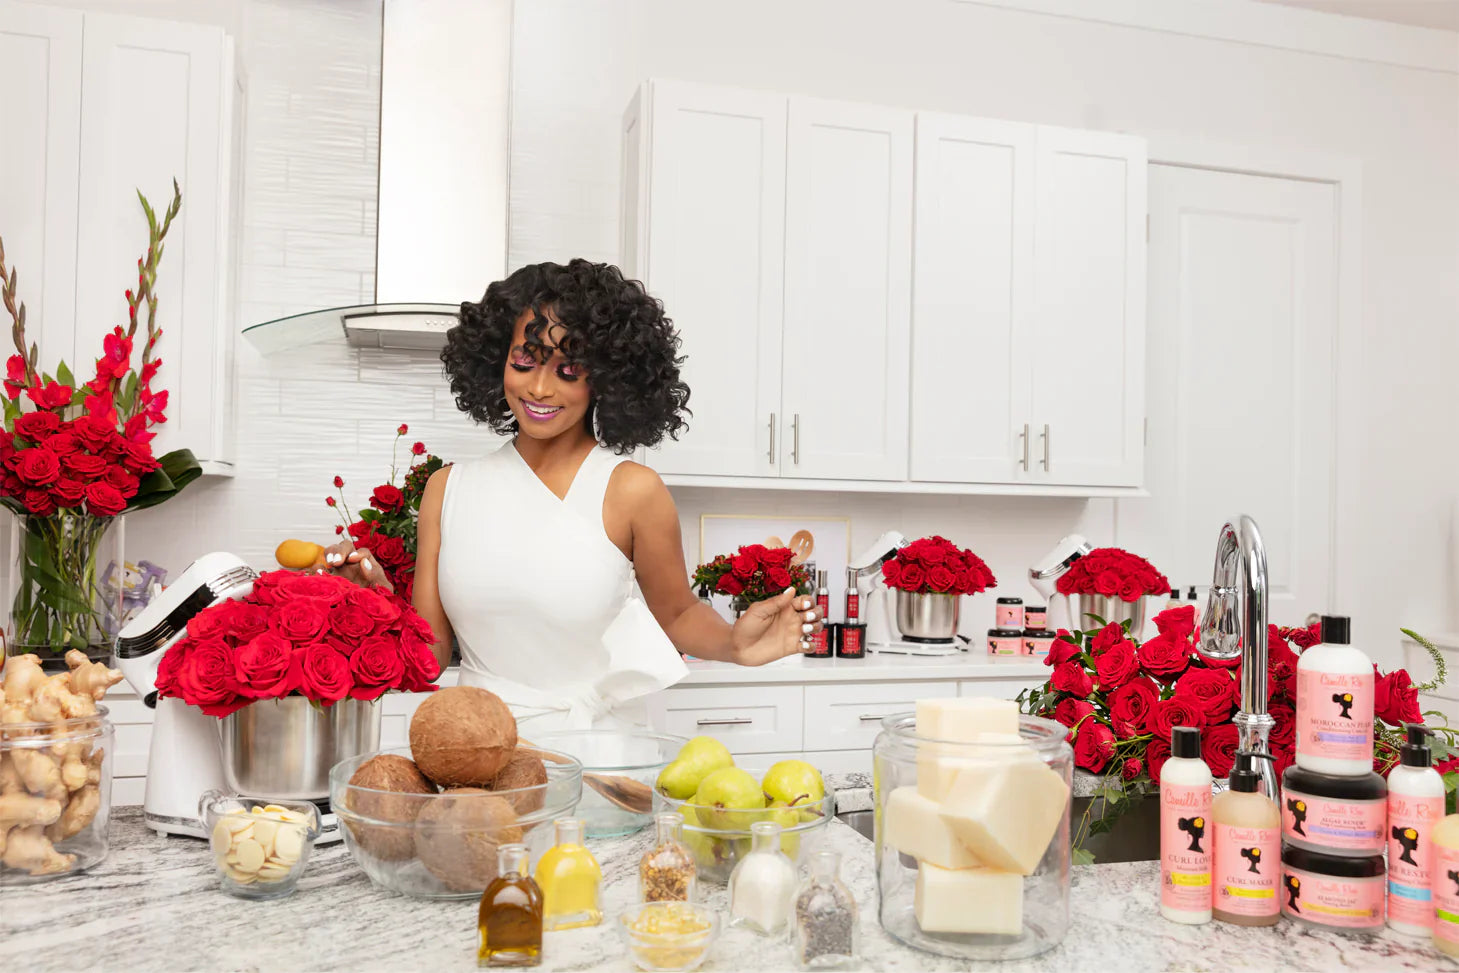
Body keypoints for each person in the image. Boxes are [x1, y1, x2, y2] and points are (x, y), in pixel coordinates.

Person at [326, 259, 823, 729]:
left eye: (569, 369)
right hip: (476, 750)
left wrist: (735, 644)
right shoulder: (447, 489)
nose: (540, 388)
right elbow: (430, 655)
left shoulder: (632, 490)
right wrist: (374, 598)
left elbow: (678, 613)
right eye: (526, 360)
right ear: (498, 360)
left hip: (597, 757)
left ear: (606, 379)